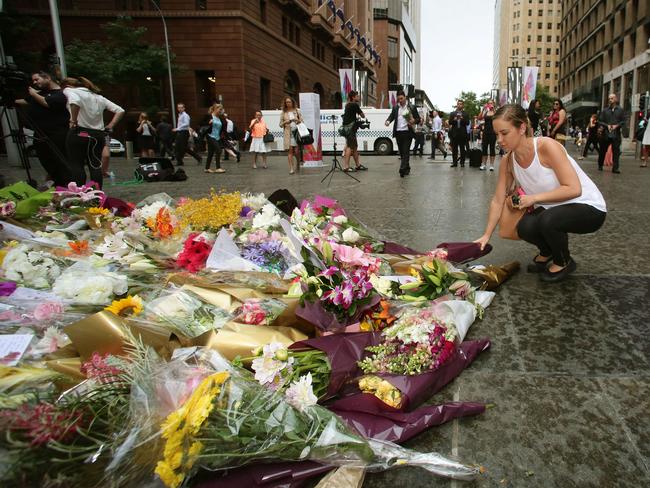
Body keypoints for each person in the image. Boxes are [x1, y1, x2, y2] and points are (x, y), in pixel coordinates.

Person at [474, 104, 606, 283]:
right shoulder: (508, 161)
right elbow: (498, 200)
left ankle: (564, 261)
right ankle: (549, 251)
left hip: (589, 207)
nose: (499, 139)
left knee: (547, 220)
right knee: (524, 226)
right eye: (497, 134)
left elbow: (574, 188)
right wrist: (486, 235)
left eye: (504, 133)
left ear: (521, 128)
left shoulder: (546, 146)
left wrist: (533, 198)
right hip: (553, 209)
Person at [62, 77, 124, 188]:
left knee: (77, 165)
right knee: (95, 165)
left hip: (79, 131)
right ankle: (97, 193)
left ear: (68, 85)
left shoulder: (69, 90)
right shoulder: (99, 97)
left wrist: (73, 120)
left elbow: (75, 102)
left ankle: (80, 193)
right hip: (98, 134)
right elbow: (120, 110)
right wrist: (110, 125)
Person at [14, 71, 72, 187]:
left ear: (48, 78)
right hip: (40, 133)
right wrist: (12, 100)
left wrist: (34, 94)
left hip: (57, 133)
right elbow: (26, 101)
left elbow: (47, 103)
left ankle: (66, 185)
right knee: (45, 159)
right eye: (33, 81)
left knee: (59, 160)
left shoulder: (61, 93)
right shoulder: (40, 93)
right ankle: (56, 183)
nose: (35, 83)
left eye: (37, 79)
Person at [385, 90, 420, 177]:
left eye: (401, 98)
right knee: (401, 152)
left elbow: (418, 119)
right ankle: (407, 167)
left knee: (405, 151)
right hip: (398, 132)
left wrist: (413, 121)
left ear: (405, 97)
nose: (400, 100)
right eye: (398, 99)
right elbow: (392, 116)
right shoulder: (396, 107)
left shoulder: (411, 107)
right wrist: (388, 121)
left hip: (407, 132)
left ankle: (402, 168)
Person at [597, 93, 625, 174]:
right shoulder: (605, 110)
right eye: (609, 98)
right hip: (606, 134)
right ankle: (600, 165)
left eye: (612, 98)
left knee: (616, 151)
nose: (610, 100)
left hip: (616, 134)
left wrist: (617, 125)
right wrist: (607, 125)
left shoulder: (620, 110)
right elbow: (600, 121)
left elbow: (623, 121)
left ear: (616, 99)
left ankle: (615, 168)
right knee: (602, 150)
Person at [341, 90, 368, 172]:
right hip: (350, 130)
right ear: (353, 97)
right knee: (349, 147)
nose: (358, 97)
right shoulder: (354, 105)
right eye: (357, 96)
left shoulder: (347, 105)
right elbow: (363, 115)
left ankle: (358, 165)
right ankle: (346, 166)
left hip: (348, 128)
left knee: (355, 147)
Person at [279, 97, 303, 174]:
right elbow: (280, 125)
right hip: (288, 134)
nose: (288, 103)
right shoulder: (283, 112)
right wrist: (286, 122)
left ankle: (298, 162)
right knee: (290, 152)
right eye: (287, 102)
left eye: (289, 102)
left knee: (296, 151)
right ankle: (291, 168)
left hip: (296, 134)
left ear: (292, 102)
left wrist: (297, 120)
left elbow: (302, 121)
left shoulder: (297, 111)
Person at [203, 103, 226, 173]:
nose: (220, 111)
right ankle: (218, 168)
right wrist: (208, 123)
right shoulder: (209, 116)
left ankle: (207, 168)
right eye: (220, 109)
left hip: (217, 137)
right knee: (218, 150)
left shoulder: (220, 118)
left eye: (221, 109)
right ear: (215, 109)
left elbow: (223, 128)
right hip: (210, 136)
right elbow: (201, 124)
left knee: (210, 152)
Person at [448, 99, 470, 168]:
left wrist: (462, 118)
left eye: (461, 104)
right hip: (454, 134)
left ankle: (462, 163)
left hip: (462, 134)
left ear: (463, 105)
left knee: (462, 149)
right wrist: (454, 119)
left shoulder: (465, 113)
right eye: (458, 104)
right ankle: (454, 162)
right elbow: (450, 122)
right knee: (454, 149)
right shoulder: (452, 113)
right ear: (456, 105)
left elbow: (467, 123)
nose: (459, 105)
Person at [479, 100, 496, 171]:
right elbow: (479, 118)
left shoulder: (495, 112)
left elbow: (498, 118)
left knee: (492, 148)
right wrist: (483, 109)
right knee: (484, 148)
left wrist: (493, 109)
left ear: (493, 104)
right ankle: (484, 164)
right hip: (485, 132)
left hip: (493, 132)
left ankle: (492, 165)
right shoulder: (486, 112)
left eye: (491, 103)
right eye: (488, 103)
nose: (490, 104)